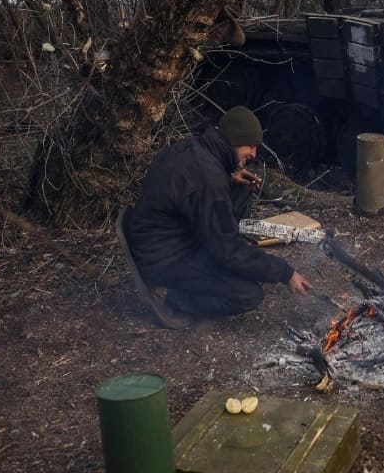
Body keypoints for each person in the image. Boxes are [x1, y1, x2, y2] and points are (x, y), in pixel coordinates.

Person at [125, 106, 312, 321]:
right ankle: (175, 298)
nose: (253, 153)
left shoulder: (197, 149)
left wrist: (229, 178)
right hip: (165, 258)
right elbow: (225, 248)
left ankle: (238, 259)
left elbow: (193, 189)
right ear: (234, 140)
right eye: (250, 146)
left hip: (163, 238)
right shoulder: (208, 180)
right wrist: (285, 273)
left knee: (242, 189)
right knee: (248, 294)